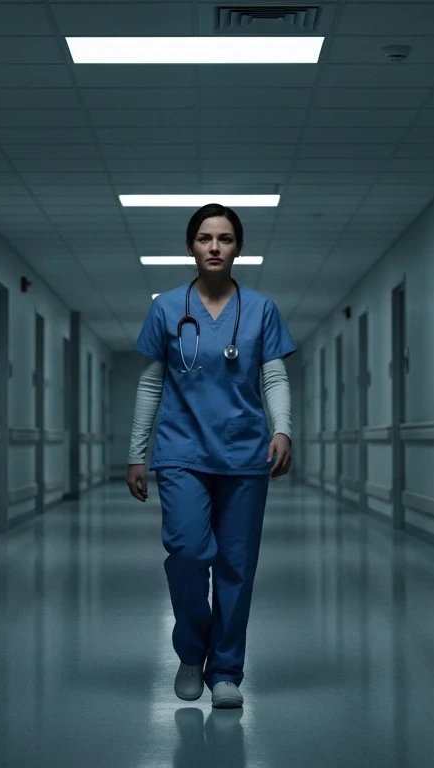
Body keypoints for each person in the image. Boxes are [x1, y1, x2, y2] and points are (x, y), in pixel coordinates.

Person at [126, 202, 296, 710]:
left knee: (236, 566)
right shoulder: (167, 308)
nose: (215, 247)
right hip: (181, 452)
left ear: (237, 247)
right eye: (205, 238)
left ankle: (225, 671)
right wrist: (137, 452)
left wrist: (282, 429)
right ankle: (190, 651)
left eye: (225, 238)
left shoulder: (261, 309)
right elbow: (152, 382)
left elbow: (273, 376)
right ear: (191, 247)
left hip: (245, 453)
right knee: (187, 551)